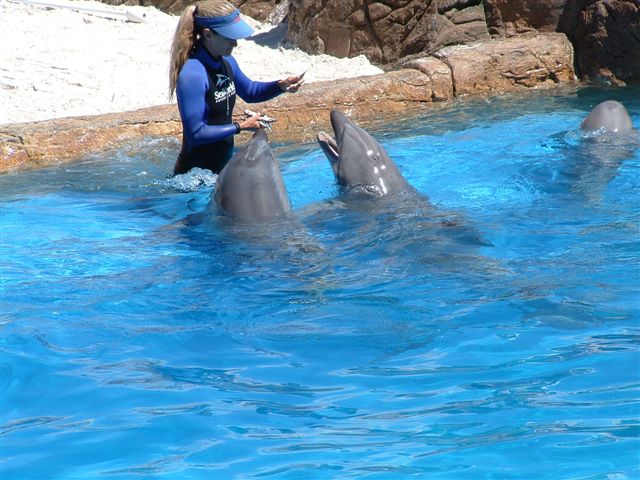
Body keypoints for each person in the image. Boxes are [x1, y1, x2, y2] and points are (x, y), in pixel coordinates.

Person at [169, 0, 304, 175]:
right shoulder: (193, 74)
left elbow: (250, 91)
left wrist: (279, 86)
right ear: (208, 34)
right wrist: (240, 126)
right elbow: (196, 133)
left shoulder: (227, 62)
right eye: (229, 37)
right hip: (193, 178)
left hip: (221, 170)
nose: (235, 43)